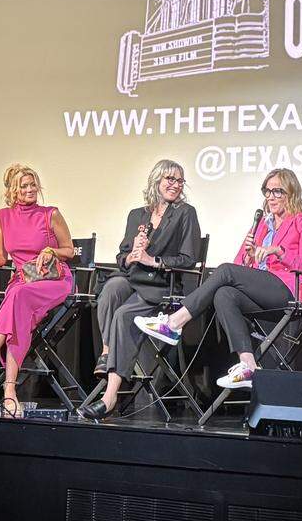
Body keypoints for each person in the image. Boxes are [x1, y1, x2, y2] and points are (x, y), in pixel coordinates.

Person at [134, 168, 302, 390]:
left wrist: (279, 251)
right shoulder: (262, 225)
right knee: (224, 294)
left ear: (291, 192)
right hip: (263, 291)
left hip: (290, 290)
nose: (270, 197)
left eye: (277, 191)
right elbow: (239, 264)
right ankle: (248, 365)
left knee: (224, 271)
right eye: (267, 191)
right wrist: (249, 257)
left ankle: (175, 322)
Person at [78, 159, 201, 420]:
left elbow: (189, 258)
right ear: (156, 180)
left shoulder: (184, 213)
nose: (175, 185)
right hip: (133, 278)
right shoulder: (138, 214)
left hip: (160, 285)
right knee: (111, 288)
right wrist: (133, 253)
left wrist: (152, 260)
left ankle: (109, 397)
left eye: (179, 181)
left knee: (124, 315)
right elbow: (121, 256)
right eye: (170, 179)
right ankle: (107, 350)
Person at [0, 164, 75, 415]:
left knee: (16, 297)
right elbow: (0, 257)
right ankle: (9, 390)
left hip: (53, 280)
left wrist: (51, 250)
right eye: (23, 186)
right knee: (17, 303)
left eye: (32, 184)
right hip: (23, 281)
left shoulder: (51, 214)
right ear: (12, 192)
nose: (29, 189)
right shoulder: (2, 216)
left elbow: (68, 250)